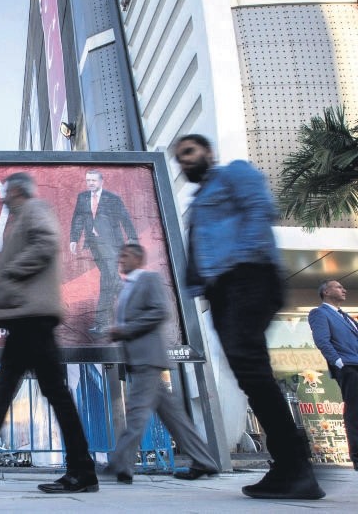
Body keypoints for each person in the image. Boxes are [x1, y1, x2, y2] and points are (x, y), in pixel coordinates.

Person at [173, 133, 324, 500]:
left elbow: (259, 210)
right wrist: (203, 286)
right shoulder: (198, 199)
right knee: (250, 375)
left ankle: (296, 468)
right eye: (180, 157)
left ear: (208, 152)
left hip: (248, 277)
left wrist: (240, 263)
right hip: (224, 289)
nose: (186, 161)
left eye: (190, 152)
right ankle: (289, 467)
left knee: (252, 371)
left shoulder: (234, 174)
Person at [0, 172, 98, 493]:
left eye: (6, 192)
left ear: (17, 191)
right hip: (25, 317)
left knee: (48, 392)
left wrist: (10, 273)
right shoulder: (22, 217)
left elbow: (46, 243)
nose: (3, 198)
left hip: (32, 317)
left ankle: (81, 470)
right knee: (9, 389)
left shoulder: (35, 209)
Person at [104, 243, 219, 483]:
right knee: (174, 416)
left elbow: (159, 311)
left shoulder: (149, 279)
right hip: (138, 359)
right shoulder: (126, 287)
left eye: (125, 255)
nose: (120, 260)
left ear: (138, 258)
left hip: (148, 358)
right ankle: (204, 461)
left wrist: (123, 330)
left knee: (136, 412)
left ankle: (121, 465)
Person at [69, 170, 138, 334]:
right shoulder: (83, 197)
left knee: (109, 279)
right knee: (109, 279)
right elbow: (78, 218)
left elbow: (125, 218)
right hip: (94, 245)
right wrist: (74, 239)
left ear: (101, 181)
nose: (90, 183)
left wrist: (132, 238)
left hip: (112, 244)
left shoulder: (112, 198)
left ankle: (108, 322)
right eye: (88, 180)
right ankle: (128, 315)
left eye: (93, 180)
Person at [308, 280, 358, 470]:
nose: (344, 289)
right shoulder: (319, 313)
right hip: (349, 367)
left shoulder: (346, 316)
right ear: (327, 292)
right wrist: (339, 363)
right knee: (355, 412)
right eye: (339, 287)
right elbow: (322, 340)